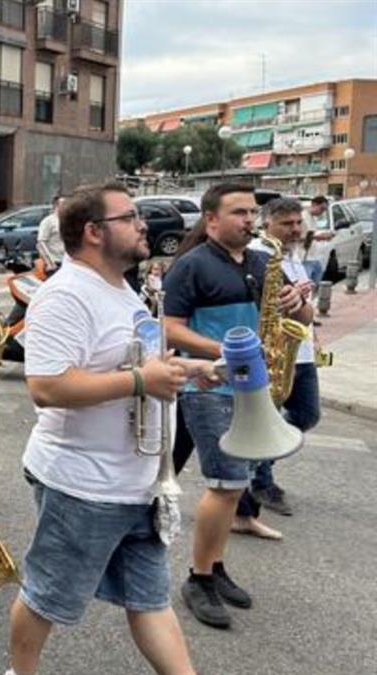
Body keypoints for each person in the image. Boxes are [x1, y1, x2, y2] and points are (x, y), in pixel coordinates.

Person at [6, 183, 210, 675]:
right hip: (84, 485)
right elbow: (48, 385)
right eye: (131, 216)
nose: (144, 225)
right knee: (46, 596)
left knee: (151, 599)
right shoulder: (65, 295)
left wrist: (186, 370)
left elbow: (134, 362)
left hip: (138, 484)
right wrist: (143, 379)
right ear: (95, 232)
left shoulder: (123, 290)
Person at [163, 183, 313, 630]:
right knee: (226, 483)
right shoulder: (190, 266)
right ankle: (198, 578)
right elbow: (169, 328)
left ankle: (216, 565)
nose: (249, 220)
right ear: (211, 220)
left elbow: (301, 319)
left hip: (254, 388)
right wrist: (224, 351)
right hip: (209, 387)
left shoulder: (264, 262)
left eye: (251, 213)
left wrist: (298, 302)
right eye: (238, 213)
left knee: (237, 484)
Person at [237, 198, 321, 523]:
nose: (296, 229)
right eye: (288, 224)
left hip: (298, 351)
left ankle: (259, 467)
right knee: (266, 419)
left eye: (298, 223)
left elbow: (305, 311)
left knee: (307, 414)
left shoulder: (293, 256)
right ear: (267, 223)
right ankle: (258, 481)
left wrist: (300, 302)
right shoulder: (260, 255)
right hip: (271, 353)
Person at [301, 195, 332, 289]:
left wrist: (319, 237)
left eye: (324, 210)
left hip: (313, 256)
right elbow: (299, 237)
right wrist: (317, 236)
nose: (322, 212)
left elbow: (311, 235)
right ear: (314, 204)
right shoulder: (302, 217)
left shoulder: (313, 218)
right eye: (321, 209)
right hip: (303, 257)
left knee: (314, 284)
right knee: (306, 287)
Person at [36, 194, 66, 272]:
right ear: (56, 206)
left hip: (66, 262)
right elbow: (41, 242)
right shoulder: (48, 221)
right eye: (63, 204)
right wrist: (49, 263)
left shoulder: (67, 221)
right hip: (55, 262)